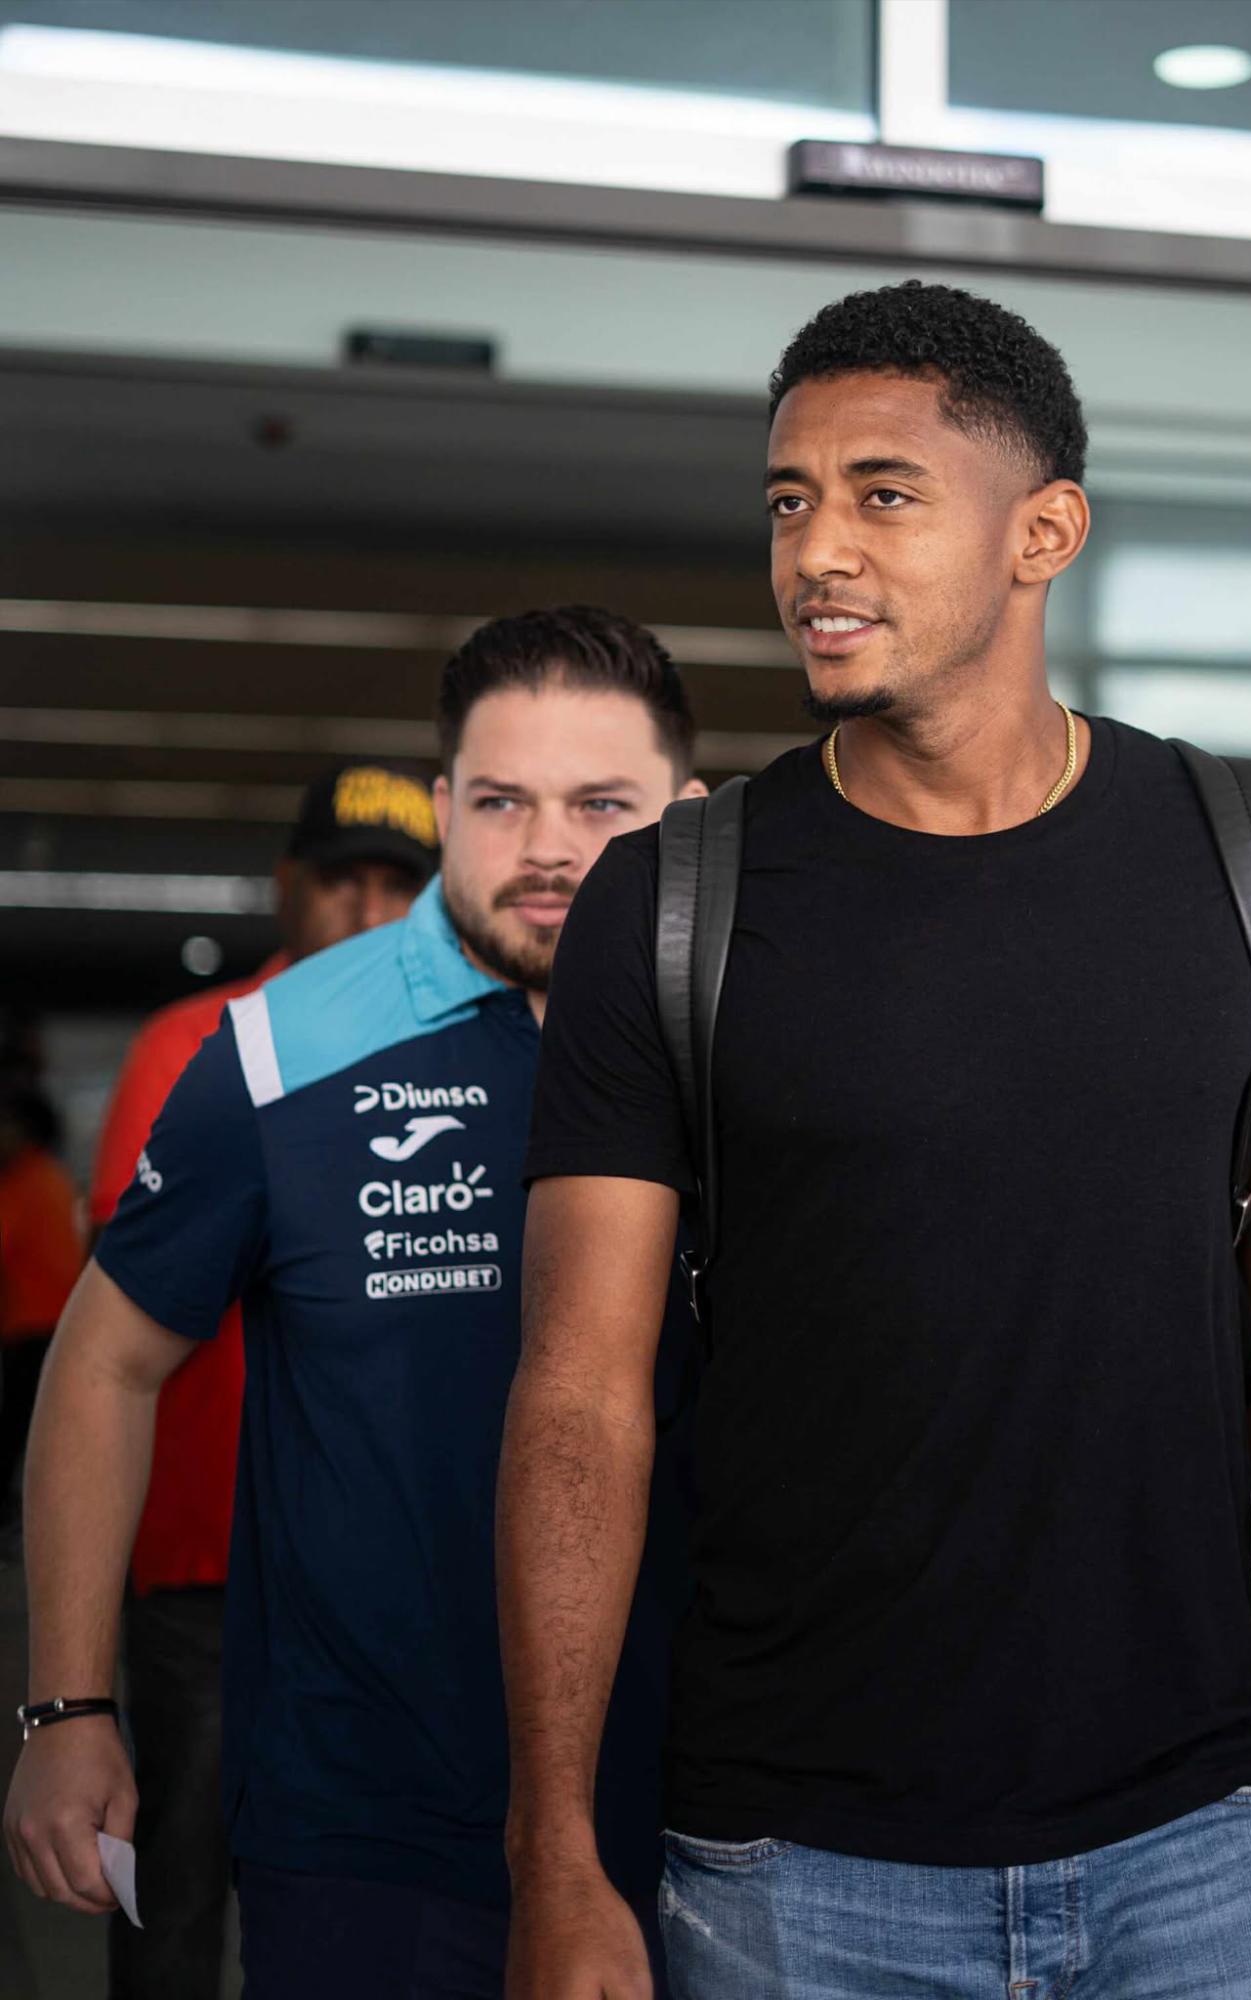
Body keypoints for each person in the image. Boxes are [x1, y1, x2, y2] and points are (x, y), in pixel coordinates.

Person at [503, 281, 1251, 2000]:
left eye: (881, 493)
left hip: (1200, 1847)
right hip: (790, 1868)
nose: (814, 552)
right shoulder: (674, 904)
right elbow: (577, 1395)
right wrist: (555, 1856)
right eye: (787, 500)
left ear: (1040, 531)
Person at [4, 608, 704, 1999]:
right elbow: (102, 1367)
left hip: (715, 1813)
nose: (550, 847)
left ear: (684, 816)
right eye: (501, 802)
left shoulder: (751, 1040)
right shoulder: (280, 1051)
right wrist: (68, 1706)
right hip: (364, 1822)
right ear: (445, 808)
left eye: (601, 805)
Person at [89, 759, 439, 2000]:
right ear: (290, 886)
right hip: (206, 1556)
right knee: (179, 1876)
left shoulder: (464, 1056)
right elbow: (145, 1283)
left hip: (389, 1558)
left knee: (367, 1886)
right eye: (340, 877)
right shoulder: (192, 1043)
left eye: (397, 882)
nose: (365, 906)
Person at [0, 1085, 82, 1530]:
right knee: (44, 1428)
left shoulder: (20, 1182)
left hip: (32, 1324)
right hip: (61, 1321)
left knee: (18, 1430)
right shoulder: (54, 1175)